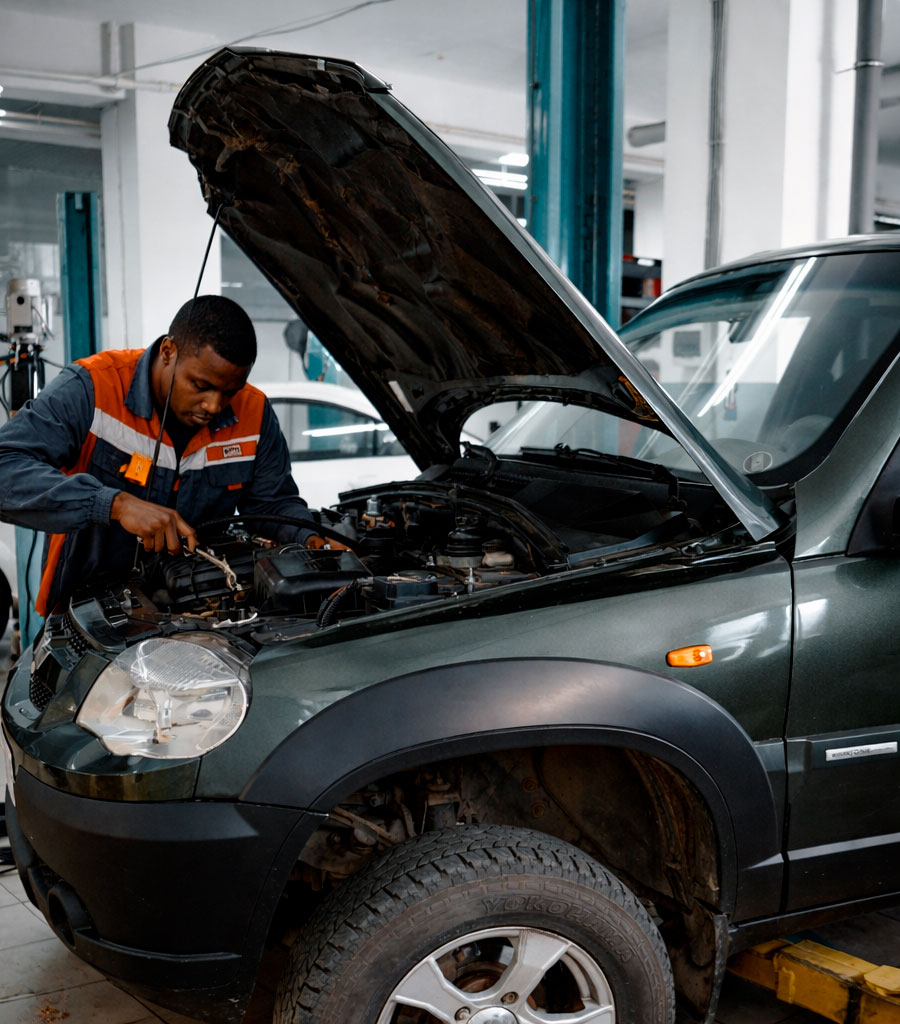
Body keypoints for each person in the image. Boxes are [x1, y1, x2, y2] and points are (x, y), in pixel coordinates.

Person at [0, 294, 328, 616]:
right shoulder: (93, 389)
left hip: (202, 618)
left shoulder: (254, 413)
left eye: (229, 392)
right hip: (90, 624)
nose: (213, 406)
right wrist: (114, 504)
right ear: (168, 351)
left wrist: (312, 538)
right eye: (200, 385)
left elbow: (272, 506)